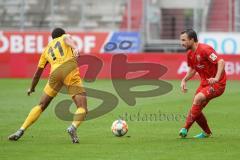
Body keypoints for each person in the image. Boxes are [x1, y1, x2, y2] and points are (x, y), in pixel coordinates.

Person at [8, 28, 87, 143]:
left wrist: (32, 88)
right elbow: (68, 39)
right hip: (69, 71)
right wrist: (75, 48)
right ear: (62, 34)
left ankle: (21, 130)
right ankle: (73, 127)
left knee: (41, 105)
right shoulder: (64, 37)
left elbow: (37, 73)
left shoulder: (46, 50)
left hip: (55, 74)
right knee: (82, 107)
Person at [179, 29, 226, 138]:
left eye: (184, 40)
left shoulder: (205, 49)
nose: (182, 43)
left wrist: (217, 78)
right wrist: (184, 80)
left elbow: (221, 62)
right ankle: (206, 133)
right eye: (181, 40)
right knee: (196, 108)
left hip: (217, 84)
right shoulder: (190, 53)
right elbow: (192, 70)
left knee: (198, 99)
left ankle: (185, 128)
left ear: (192, 39)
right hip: (205, 83)